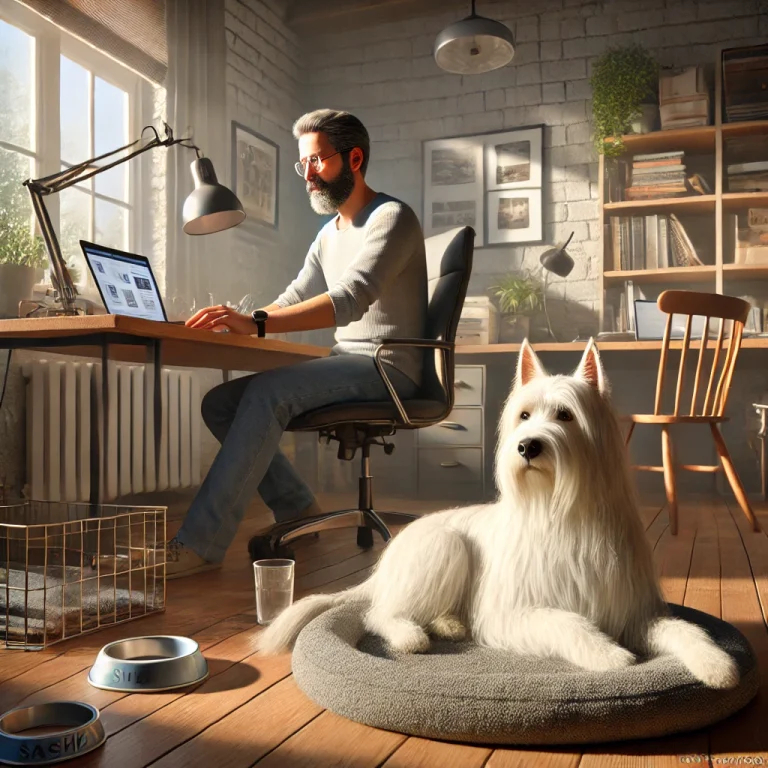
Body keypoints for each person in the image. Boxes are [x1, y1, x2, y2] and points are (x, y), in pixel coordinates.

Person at [165, 109, 428, 578]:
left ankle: (199, 543)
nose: (308, 176)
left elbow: (349, 300)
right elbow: (295, 295)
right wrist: (239, 320)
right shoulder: (328, 234)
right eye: (302, 165)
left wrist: (257, 324)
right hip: (349, 361)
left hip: (390, 367)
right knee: (220, 404)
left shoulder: (392, 218)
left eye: (317, 162)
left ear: (355, 158)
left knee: (269, 392)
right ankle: (297, 506)